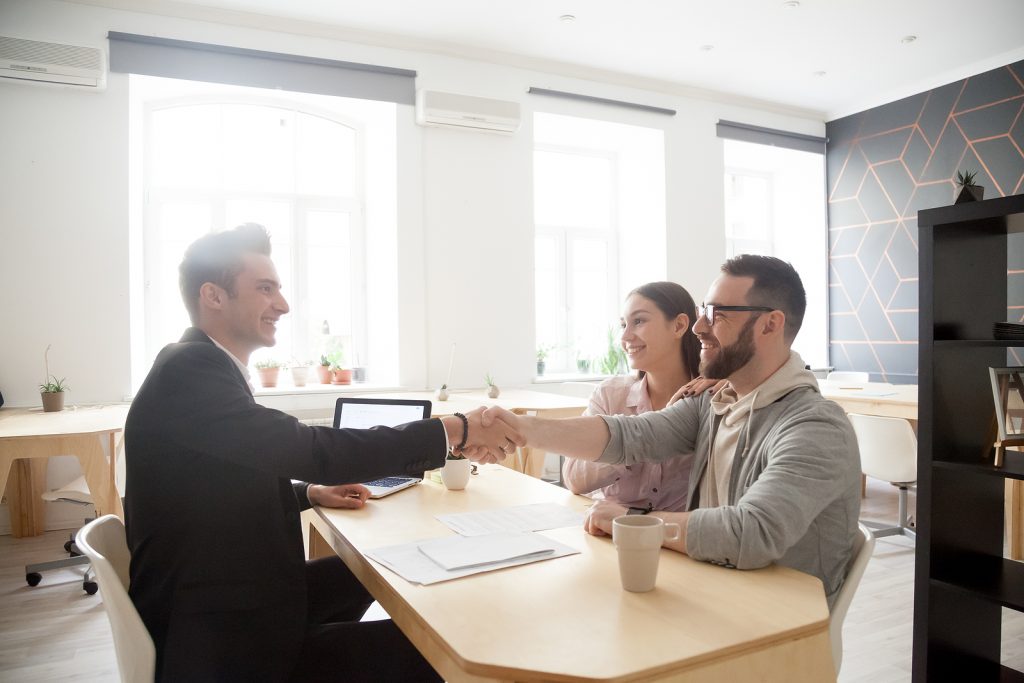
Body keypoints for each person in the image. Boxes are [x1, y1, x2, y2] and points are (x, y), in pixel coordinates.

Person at [124, 223, 521, 682]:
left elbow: (222, 478)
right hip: (221, 640)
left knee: (373, 568)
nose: (283, 305)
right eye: (265, 288)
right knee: (440, 652)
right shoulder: (191, 370)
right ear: (213, 296)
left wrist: (309, 493)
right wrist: (452, 429)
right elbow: (313, 449)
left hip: (230, 597)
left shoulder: (196, 365)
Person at [481, 255, 860, 608]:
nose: (699, 328)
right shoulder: (715, 403)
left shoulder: (815, 426)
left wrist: (633, 523)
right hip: (712, 591)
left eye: (716, 314)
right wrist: (519, 428)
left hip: (772, 622)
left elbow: (752, 532)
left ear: (770, 324)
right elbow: (630, 436)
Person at [562, 282, 703, 512]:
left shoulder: (710, 401)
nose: (625, 336)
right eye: (623, 324)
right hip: (608, 534)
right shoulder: (610, 395)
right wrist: (629, 443)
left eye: (638, 321)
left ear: (679, 325)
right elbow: (574, 479)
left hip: (675, 542)